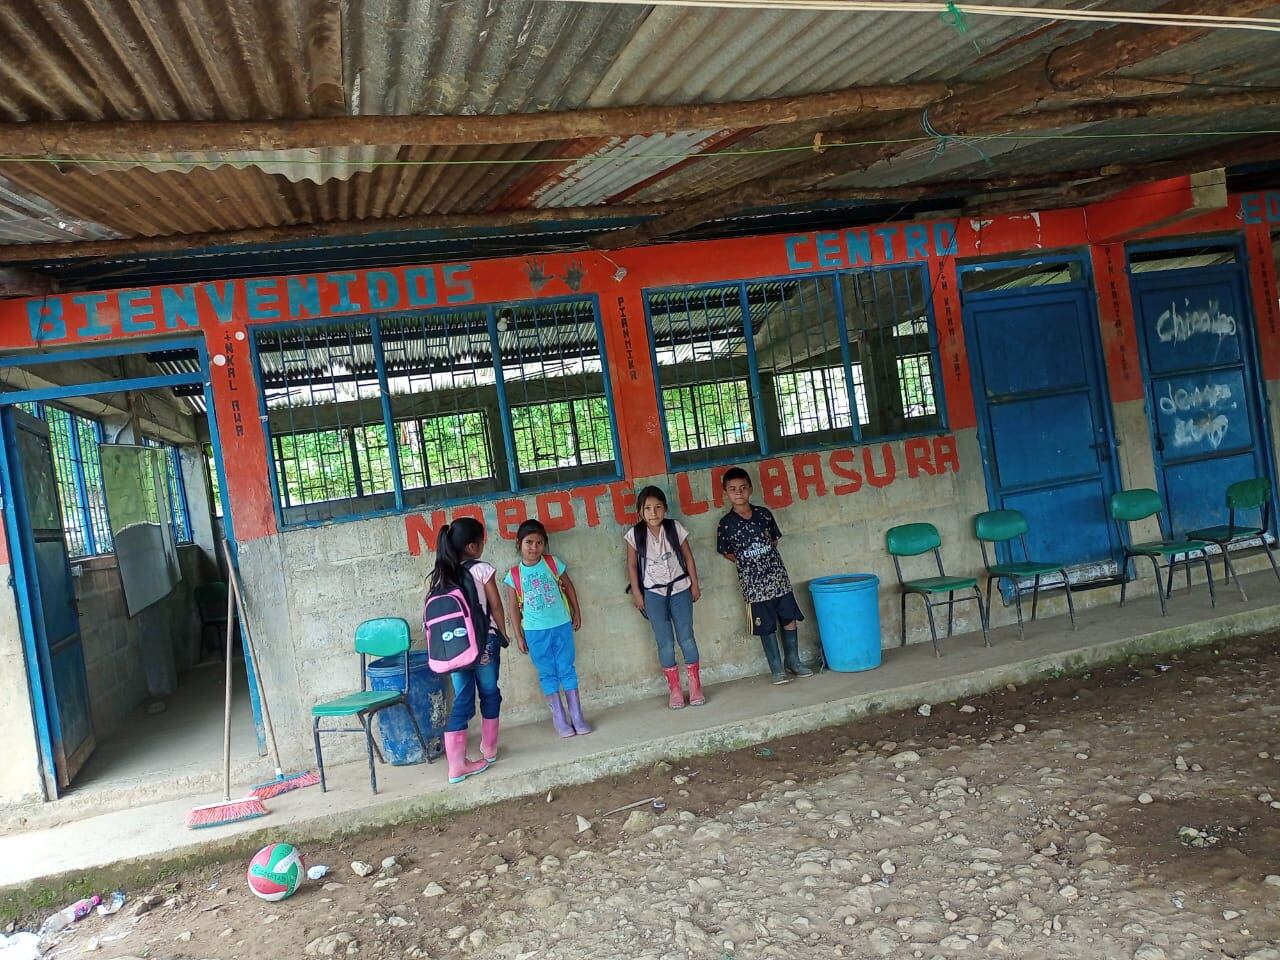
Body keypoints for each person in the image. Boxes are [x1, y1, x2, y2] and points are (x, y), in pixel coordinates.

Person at [716, 467, 815, 685]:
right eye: (733, 489)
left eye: (743, 488)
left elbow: (774, 540)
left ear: (750, 489)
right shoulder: (726, 524)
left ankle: (793, 660)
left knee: (789, 618)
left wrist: (763, 556)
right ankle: (777, 669)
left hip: (778, 578)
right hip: (754, 585)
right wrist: (749, 561)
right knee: (766, 625)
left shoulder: (764, 514)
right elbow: (727, 552)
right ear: (726, 493)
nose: (739, 493)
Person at [430, 518, 506, 784]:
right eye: (482, 541)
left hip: (457, 648)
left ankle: (456, 765)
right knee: (489, 692)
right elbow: (496, 606)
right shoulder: (482, 569)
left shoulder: (442, 574)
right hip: (485, 642)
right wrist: (503, 632)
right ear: (473, 546)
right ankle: (489, 749)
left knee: (462, 698)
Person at [502, 519, 590, 737]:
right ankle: (559, 719)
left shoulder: (552, 563)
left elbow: (568, 586)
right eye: (529, 542)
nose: (534, 547)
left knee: (567, 668)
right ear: (519, 543)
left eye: (539, 543)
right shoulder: (513, 575)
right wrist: (519, 636)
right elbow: (512, 608)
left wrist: (576, 612)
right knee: (547, 673)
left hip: (561, 625)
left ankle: (577, 716)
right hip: (535, 632)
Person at [625, 485, 706, 709]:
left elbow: (688, 557)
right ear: (640, 511)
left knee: (686, 638)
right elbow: (632, 566)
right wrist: (637, 595)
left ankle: (695, 686)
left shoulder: (674, 527)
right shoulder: (634, 535)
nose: (653, 513)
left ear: (665, 509)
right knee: (665, 643)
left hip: (680, 589)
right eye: (648, 508)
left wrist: (695, 584)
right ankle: (675, 689)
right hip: (653, 594)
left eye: (658, 507)